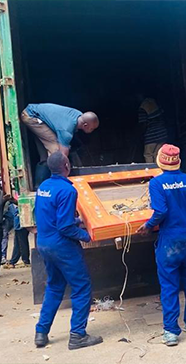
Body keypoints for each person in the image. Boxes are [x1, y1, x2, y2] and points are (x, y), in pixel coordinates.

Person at [136, 144, 186, 346]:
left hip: (169, 241)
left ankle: (171, 332)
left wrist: (148, 226)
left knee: (169, 285)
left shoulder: (156, 183)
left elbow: (160, 212)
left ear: (160, 161)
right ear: (178, 161)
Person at [33, 152, 103, 350]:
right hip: (62, 246)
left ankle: (41, 332)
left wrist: (77, 221)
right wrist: (87, 236)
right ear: (66, 165)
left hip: (44, 243)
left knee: (55, 286)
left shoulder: (44, 187)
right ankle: (78, 335)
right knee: (81, 287)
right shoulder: (68, 190)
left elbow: (53, 218)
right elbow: (65, 228)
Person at [21, 103, 99, 161]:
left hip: (38, 114)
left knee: (47, 153)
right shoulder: (66, 131)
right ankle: (55, 178)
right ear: (85, 125)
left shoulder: (78, 115)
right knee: (56, 151)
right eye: (92, 128)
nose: (92, 131)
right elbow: (63, 155)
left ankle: (43, 169)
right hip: (31, 116)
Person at [138, 97, 168, 163]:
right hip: (162, 133)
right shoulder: (155, 102)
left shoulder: (142, 107)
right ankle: (159, 171)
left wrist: (141, 135)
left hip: (150, 136)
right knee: (158, 154)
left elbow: (143, 124)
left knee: (148, 155)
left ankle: (152, 172)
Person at [5, 201, 30, 268]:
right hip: (19, 217)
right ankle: (13, 260)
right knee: (18, 241)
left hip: (20, 217)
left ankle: (25, 260)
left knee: (21, 240)